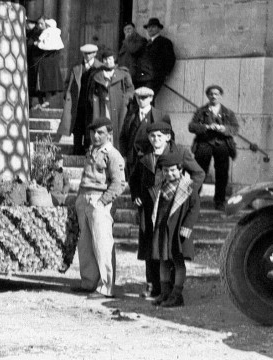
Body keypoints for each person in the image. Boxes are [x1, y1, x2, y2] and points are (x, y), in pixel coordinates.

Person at [130, 122, 204, 300]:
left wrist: (186, 192)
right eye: (152, 136)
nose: (156, 140)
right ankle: (154, 286)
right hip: (151, 207)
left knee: (172, 252)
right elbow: (133, 178)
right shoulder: (145, 155)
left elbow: (198, 174)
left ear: (168, 137)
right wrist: (136, 195)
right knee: (152, 246)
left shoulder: (180, 153)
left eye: (160, 136)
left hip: (174, 206)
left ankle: (172, 289)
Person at [71, 118, 125, 299]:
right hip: (84, 198)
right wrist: (79, 198)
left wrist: (103, 202)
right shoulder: (91, 151)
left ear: (109, 134)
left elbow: (119, 183)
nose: (95, 135)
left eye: (100, 132)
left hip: (99, 199)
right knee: (85, 244)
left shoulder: (112, 154)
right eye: (93, 132)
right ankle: (88, 282)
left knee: (102, 244)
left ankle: (106, 287)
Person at [149, 152, 201, 308]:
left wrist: (187, 227)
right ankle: (165, 292)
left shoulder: (188, 187)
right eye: (165, 171)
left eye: (173, 170)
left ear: (180, 170)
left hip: (178, 231)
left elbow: (194, 208)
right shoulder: (161, 187)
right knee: (163, 261)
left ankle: (177, 295)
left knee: (178, 262)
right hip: (163, 229)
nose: (169, 174)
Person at [188, 84, 239, 210]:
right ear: (207, 96)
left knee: (222, 173)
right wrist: (206, 127)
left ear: (220, 96)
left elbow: (235, 128)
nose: (213, 96)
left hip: (222, 145)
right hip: (204, 144)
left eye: (216, 94)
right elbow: (191, 126)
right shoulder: (201, 111)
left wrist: (224, 128)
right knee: (199, 172)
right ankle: (194, 200)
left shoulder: (227, 112)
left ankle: (219, 201)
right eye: (211, 94)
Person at [58, 43, 102, 155]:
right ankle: (76, 150)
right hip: (78, 103)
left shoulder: (100, 67)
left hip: (93, 104)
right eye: (85, 53)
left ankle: (88, 150)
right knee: (77, 128)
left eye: (90, 53)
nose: (87, 56)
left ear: (95, 54)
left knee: (90, 126)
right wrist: (66, 95)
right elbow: (68, 82)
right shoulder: (77, 67)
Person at [119, 86, 171, 178]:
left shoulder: (161, 116)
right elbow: (123, 136)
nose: (141, 100)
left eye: (144, 98)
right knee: (134, 186)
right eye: (138, 97)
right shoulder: (131, 115)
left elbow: (169, 138)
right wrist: (124, 155)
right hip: (132, 158)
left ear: (151, 98)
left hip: (150, 157)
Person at [88, 48, 134, 153]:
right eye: (104, 59)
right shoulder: (97, 75)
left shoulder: (123, 73)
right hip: (103, 106)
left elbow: (130, 89)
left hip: (119, 106)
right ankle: (101, 151)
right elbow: (91, 92)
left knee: (119, 128)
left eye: (109, 59)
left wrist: (126, 99)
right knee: (103, 127)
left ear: (114, 59)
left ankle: (118, 153)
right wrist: (95, 102)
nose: (107, 61)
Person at [30, 18, 65, 109]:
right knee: (39, 84)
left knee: (48, 83)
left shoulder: (50, 33)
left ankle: (47, 102)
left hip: (48, 62)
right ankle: (42, 102)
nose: (40, 25)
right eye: (39, 24)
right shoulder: (39, 33)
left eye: (42, 23)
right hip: (40, 63)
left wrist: (38, 44)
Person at [137, 18, 176, 97]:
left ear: (159, 29)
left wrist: (165, 74)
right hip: (144, 77)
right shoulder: (146, 43)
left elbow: (171, 59)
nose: (150, 29)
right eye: (148, 27)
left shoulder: (164, 42)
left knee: (147, 98)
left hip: (155, 76)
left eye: (153, 27)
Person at [116, 22, 148, 86]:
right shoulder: (126, 41)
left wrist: (127, 39)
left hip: (133, 72)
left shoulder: (140, 39)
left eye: (129, 29)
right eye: (125, 30)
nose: (127, 31)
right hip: (123, 70)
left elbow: (133, 50)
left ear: (134, 29)